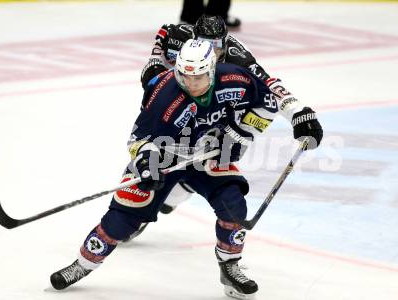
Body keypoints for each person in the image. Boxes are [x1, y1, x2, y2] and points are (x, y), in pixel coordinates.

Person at [50, 40, 323, 299]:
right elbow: (138, 139)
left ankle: (229, 268)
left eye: (199, 77)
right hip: (166, 155)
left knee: (233, 207)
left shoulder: (234, 78)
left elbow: (268, 101)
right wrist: (147, 162)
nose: (191, 84)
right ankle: (84, 264)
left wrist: (251, 130)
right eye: (185, 76)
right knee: (123, 217)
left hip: (209, 153)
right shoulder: (164, 95)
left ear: (212, 70)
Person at [129, 15, 306, 242]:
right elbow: (163, 33)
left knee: (210, 161)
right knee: (159, 154)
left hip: (221, 115)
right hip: (183, 104)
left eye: (216, 46)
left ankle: (174, 196)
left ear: (226, 41)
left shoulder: (238, 57)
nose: (211, 52)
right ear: (192, 39)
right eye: (204, 43)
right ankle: (142, 210)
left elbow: (269, 87)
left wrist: (298, 112)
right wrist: (154, 65)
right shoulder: (177, 38)